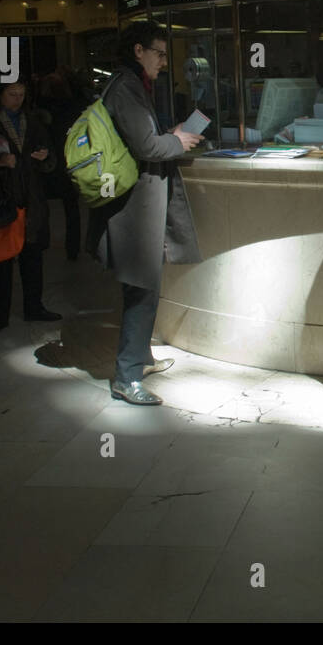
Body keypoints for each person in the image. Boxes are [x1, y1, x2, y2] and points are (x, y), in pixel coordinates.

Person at [86, 21, 202, 405]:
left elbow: (144, 138)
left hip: (139, 206)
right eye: (160, 52)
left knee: (144, 286)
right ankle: (127, 376)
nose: (165, 62)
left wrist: (172, 133)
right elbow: (147, 147)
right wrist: (176, 140)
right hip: (134, 211)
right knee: (141, 288)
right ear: (138, 51)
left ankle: (139, 358)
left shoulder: (132, 86)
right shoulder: (127, 87)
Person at [0, 78, 61, 335]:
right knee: (0, 258)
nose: (17, 99)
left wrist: (45, 158)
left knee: (32, 255)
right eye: (12, 94)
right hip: (1, 195)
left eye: (21, 93)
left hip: (31, 196)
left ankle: (34, 306)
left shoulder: (34, 120)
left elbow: (51, 158)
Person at [38, 67, 87, 261]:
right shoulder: (75, 105)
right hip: (70, 158)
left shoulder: (43, 109)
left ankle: (39, 243)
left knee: (41, 205)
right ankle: (72, 247)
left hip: (49, 160)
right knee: (71, 206)